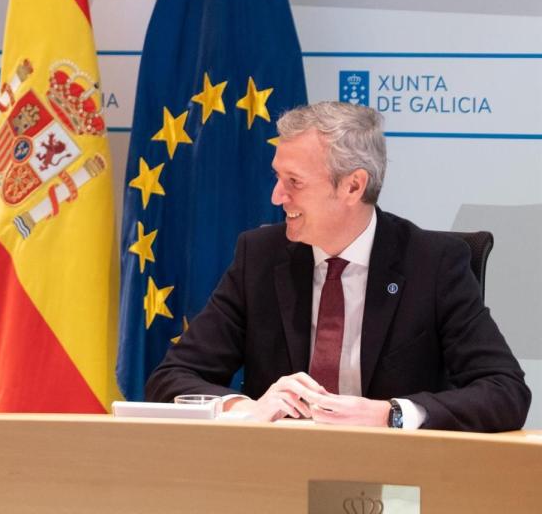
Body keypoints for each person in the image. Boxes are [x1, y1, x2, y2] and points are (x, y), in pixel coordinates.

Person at [146, 101, 530, 432]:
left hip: (397, 481)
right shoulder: (260, 256)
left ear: (352, 186)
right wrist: (245, 408)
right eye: (278, 178)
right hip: (277, 477)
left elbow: (505, 391)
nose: (277, 196)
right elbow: (171, 378)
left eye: (294, 181)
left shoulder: (433, 262)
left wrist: (391, 414)